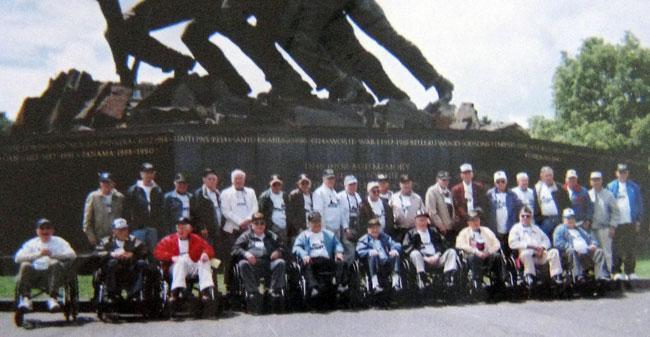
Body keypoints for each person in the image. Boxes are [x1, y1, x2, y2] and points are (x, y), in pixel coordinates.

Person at [15, 218, 77, 312]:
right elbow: (17, 258)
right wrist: (38, 255)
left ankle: (53, 298)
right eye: (42, 229)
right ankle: (26, 299)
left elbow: (72, 255)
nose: (45, 231)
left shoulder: (59, 242)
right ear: (37, 231)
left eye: (48, 228)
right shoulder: (31, 243)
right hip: (35, 275)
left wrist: (53, 255)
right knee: (25, 265)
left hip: (54, 275)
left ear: (52, 230)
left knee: (55, 263)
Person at [153, 217, 216, 302]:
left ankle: (206, 291)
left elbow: (209, 248)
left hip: (192, 266)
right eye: (179, 228)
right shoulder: (168, 240)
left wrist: (205, 254)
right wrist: (171, 257)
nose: (181, 231)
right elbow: (157, 252)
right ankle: (175, 293)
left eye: (184, 228)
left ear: (189, 229)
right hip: (175, 268)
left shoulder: (196, 239)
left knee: (205, 262)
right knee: (180, 261)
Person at [232, 213, 286, 301]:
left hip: (268, 263)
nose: (259, 225)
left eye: (262, 223)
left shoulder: (271, 235)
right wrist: (246, 254)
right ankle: (253, 292)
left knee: (280, 263)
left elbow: (283, 247)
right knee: (242, 264)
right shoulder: (245, 236)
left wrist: (278, 252)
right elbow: (235, 248)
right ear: (251, 224)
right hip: (253, 264)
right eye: (256, 223)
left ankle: (274, 291)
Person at [94, 218, 149, 302]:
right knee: (113, 263)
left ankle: (134, 294)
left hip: (130, 270)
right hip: (113, 271)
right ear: (114, 231)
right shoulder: (106, 241)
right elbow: (97, 253)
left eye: (125, 229)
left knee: (141, 264)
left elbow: (144, 252)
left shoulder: (134, 241)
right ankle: (112, 294)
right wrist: (111, 254)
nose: (123, 232)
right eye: (120, 230)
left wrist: (132, 255)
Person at [221, 169, 258, 291]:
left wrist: (247, 220)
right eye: (236, 178)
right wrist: (239, 221)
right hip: (232, 230)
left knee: (249, 255)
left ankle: (250, 284)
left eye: (241, 178)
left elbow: (255, 207)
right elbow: (226, 211)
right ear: (232, 180)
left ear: (244, 180)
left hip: (248, 229)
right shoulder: (225, 193)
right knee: (231, 258)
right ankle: (230, 286)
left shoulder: (251, 192)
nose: (238, 181)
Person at [293, 212, 346, 296]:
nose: (317, 224)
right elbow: (296, 248)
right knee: (306, 264)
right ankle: (313, 287)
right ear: (309, 223)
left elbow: (337, 244)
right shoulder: (303, 235)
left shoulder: (328, 234)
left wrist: (338, 252)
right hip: (312, 259)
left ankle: (339, 284)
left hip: (326, 259)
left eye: (318, 221)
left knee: (340, 261)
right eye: (314, 222)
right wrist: (304, 255)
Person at [508, 207, 563, 287]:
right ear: (519, 216)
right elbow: (512, 243)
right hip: (525, 256)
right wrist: (530, 246)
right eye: (523, 216)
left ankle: (556, 277)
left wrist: (542, 248)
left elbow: (547, 241)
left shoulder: (536, 228)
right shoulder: (516, 228)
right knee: (526, 254)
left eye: (528, 216)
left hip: (540, 254)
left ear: (531, 217)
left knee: (554, 252)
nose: (525, 218)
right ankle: (530, 277)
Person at [607, 163, 644, 281]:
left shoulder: (634, 187)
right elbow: (608, 206)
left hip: (630, 222)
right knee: (616, 247)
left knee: (630, 247)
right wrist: (611, 224)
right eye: (620, 172)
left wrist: (638, 221)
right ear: (616, 173)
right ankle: (616, 271)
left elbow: (639, 204)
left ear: (627, 173)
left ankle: (630, 271)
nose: (622, 174)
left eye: (624, 172)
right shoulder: (611, 186)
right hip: (616, 223)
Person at [404, 211, 458, 289]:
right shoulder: (410, 233)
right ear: (415, 221)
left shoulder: (434, 231)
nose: (423, 222)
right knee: (414, 253)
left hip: (436, 258)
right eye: (420, 220)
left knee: (451, 252)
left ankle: (448, 278)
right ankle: (422, 278)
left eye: (425, 220)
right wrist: (425, 258)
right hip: (422, 260)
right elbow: (407, 248)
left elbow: (443, 244)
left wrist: (437, 255)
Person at [553, 209, 610, 283]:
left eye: (572, 218)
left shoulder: (579, 229)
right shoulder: (560, 229)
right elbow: (557, 242)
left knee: (599, 252)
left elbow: (591, 239)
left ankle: (601, 276)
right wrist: (571, 247)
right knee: (572, 251)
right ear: (563, 219)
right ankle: (578, 276)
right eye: (568, 218)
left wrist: (593, 245)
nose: (571, 220)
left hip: (586, 253)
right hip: (572, 254)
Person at [455, 208, 502, 289]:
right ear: (468, 222)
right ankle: (477, 281)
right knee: (474, 257)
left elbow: (497, 244)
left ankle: (500, 281)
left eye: (477, 220)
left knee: (497, 256)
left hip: (487, 255)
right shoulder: (464, 232)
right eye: (472, 221)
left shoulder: (486, 230)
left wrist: (489, 252)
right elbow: (459, 244)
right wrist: (475, 251)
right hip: (473, 257)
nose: (475, 222)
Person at [124, 162, 164, 252]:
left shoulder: (158, 190)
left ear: (154, 174)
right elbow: (127, 210)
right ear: (141, 174)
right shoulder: (133, 190)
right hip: (138, 228)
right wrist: (131, 226)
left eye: (151, 173)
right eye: (146, 172)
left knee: (154, 253)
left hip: (153, 228)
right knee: (139, 252)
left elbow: (161, 210)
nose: (148, 175)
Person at [356, 218, 401, 293]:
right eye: (372, 228)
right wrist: (369, 251)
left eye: (377, 228)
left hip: (386, 262)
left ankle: (396, 283)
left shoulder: (385, 237)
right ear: (368, 229)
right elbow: (359, 251)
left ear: (380, 228)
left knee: (395, 255)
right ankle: (375, 284)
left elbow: (396, 244)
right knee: (373, 255)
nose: (375, 230)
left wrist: (394, 249)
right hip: (372, 263)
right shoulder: (364, 239)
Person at [83, 172, 125, 246]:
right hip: (99, 238)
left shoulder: (119, 197)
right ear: (100, 183)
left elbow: (124, 216)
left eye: (108, 182)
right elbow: (87, 220)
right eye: (103, 182)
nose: (106, 184)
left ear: (113, 183)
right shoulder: (93, 197)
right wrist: (92, 238)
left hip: (117, 237)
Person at [588, 171, 619, 273]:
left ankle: (609, 274)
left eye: (598, 179)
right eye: (593, 180)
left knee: (607, 253)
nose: (596, 182)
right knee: (595, 252)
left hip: (605, 228)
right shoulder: (588, 194)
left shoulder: (608, 195)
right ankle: (598, 276)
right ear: (590, 181)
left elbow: (615, 212)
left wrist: (613, 226)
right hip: (592, 229)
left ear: (601, 180)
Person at [485, 171, 522, 253]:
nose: (500, 183)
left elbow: (520, 209)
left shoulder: (512, 195)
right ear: (495, 183)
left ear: (506, 182)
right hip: (495, 229)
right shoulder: (489, 194)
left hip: (509, 229)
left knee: (509, 252)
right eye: (498, 182)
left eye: (503, 181)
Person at [534, 166, 570, 238]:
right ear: (541, 176)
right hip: (545, 221)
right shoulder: (537, 189)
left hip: (559, 220)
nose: (549, 178)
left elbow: (567, 204)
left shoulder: (560, 188)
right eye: (546, 176)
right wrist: (540, 220)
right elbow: (536, 206)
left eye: (550, 175)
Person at [191, 168, 223, 245]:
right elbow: (194, 214)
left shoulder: (219, 193)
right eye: (209, 179)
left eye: (214, 179)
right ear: (204, 180)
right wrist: (202, 227)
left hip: (219, 230)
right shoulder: (198, 194)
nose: (212, 181)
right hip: (206, 232)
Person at [451, 163, 488, 230]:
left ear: (472, 174)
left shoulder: (479, 187)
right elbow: (457, 205)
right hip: (463, 221)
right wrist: (467, 216)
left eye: (469, 173)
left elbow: (483, 202)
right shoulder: (455, 189)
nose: (467, 175)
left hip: (477, 220)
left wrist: (476, 214)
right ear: (461, 175)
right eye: (465, 173)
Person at [390, 174, 425, 242]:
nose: (406, 185)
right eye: (404, 183)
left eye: (408, 183)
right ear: (400, 184)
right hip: (398, 231)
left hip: (413, 231)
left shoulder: (417, 198)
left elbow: (423, 215)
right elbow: (389, 214)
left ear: (411, 184)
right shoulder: (393, 197)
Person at [313, 169, 345, 239]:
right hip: (326, 229)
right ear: (323, 178)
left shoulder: (334, 192)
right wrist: (322, 230)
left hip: (337, 229)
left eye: (333, 178)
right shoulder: (319, 192)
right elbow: (318, 213)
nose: (331, 180)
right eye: (329, 178)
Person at [258, 175, 290, 246]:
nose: (277, 186)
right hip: (272, 227)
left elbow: (289, 211)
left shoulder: (285, 195)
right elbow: (261, 214)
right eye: (274, 184)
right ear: (270, 184)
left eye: (279, 184)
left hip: (284, 227)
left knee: (284, 248)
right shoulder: (264, 196)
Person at [425, 170, 456, 242]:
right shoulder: (432, 191)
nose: (446, 182)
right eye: (443, 180)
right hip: (439, 229)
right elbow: (431, 211)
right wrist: (440, 226)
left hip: (450, 227)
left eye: (447, 180)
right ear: (437, 179)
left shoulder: (448, 192)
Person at [287, 174, 314, 245]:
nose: (305, 185)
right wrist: (298, 228)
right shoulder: (294, 195)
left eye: (306, 183)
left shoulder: (312, 195)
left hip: (310, 226)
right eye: (302, 183)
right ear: (298, 184)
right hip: (298, 229)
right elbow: (291, 214)